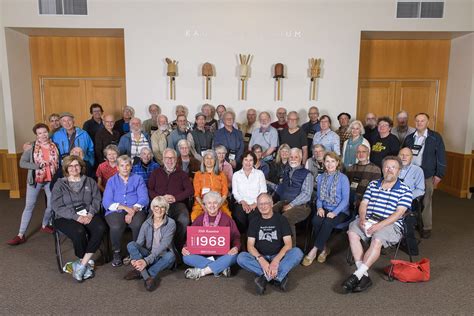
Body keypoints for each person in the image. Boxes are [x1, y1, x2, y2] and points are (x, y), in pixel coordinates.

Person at [342, 156, 412, 293]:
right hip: (368, 219)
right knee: (352, 232)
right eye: (386, 167)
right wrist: (362, 218)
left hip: (390, 225)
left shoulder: (405, 190)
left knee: (377, 239)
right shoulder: (373, 184)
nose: (389, 170)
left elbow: (398, 214)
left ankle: (357, 275)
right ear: (382, 169)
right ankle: (364, 275)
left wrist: (379, 226)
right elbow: (364, 204)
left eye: (393, 167)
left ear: (399, 171)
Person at [51, 155, 106, 282]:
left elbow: (97, 199)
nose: (74, 168)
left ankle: (81, 265)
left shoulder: (90, 182)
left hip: (88, 214)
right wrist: (76, 217)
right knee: (79, 231)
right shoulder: (59, 184)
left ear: (81, 167)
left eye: (76, 165)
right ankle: (85, 263)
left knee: (100, 227)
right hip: (65, 216)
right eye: (70, 166)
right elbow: (56, 206)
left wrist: (91, 214)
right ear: (66, 168)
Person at [237, 193, 304, 295]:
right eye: (260, 204)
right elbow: (250, 245)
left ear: (272, 204)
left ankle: (265, 277)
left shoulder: (281, 220)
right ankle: (278, 277)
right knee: (241, 258)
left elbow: (288, 244)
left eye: (266, 203)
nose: (263, 206)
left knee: (297, 253)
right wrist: (261, 259)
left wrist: (276, 261)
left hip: (278, 256)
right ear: (257, 206)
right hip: (260, 256)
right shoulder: (254, 221)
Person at [7, 123, 59, 246]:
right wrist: (37, 166)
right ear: (36, 135)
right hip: (35, 180)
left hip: (50, 180)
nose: (43, 135)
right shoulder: (31, 148)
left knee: (52, 205)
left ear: (48, 132)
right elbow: (22, 163)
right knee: (29, 206)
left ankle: (45, 225)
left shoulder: (54, 146)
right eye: (40, 133)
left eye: (45, 132)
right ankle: (20, 234)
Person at [302, 152, 350, 266]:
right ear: (324, 163)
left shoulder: (343, 178)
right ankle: (324, 249)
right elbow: (319, 198)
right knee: (316, 220)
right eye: (327, 161)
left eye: (333, 161)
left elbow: (345, 200)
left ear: (337, 163)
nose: (330, 164)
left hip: (341, 210)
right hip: (325, 208)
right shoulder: (321, 178)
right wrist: (319, 208)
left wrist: (334, 212)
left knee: (327, 222)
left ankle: (313, 251)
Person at [403, 113, 446, 239]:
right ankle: (413, 222)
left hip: (427, 174)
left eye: (422, 121)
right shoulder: (410, 138)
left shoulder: (435, 137)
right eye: (417, 120)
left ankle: (426, 227)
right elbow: (404, 154)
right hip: (411, 174)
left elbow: (441, 157)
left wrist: (439, 175)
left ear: (427, 122)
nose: (419, 123)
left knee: (426, 200)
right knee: (410, 199)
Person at [182, 191, 241, 279]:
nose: (212, 206)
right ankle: (221, 267)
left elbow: (236, 237)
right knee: (186, 257)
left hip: (222, 254)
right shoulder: (199, 219)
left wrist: (236, 247)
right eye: (209, 203)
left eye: (215, 203)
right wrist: (185, 247)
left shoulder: (227, 219)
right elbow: (191, 237)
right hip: (201, 254)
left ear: (219, 204)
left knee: (234, 256)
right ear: (205, 205)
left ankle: (201, 272)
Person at [103, 155, 149, 267]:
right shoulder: (111, 181)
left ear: (131, 167)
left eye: (127, 165)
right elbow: (107, 202)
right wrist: (125, 208)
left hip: (136, 208)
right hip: (116, 209)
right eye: (122, 165)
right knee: (116, 226)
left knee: (137, 224)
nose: (125, 168)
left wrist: (133, 210)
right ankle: (116, 252)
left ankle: (135, 253)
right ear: (117, 168)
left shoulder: (138, 179)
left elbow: (144, 198)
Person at [124, 196, 176, 292]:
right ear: (152, 208)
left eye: (162, 207)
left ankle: (142, 273)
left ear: (166, 209)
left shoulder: (171, 223)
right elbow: (139, 243)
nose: (159, 210)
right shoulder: (146, 223)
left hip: (162, 256)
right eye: (156, 206)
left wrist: (146, 261)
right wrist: (133, 258)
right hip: (149, 253)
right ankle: (147, 277)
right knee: (131, 244)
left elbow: (163, 246)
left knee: (171, 256)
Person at [148, 148, 193, 250]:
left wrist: (175, 198)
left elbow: (190, 190)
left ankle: (177, 246)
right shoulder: (156, 172)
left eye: (172, 158)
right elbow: (149, 189)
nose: (170, 160)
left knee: (184, 220)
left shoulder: (182, 174)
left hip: (177, 204)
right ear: (163, 159)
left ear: (176, 159)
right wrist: (160, 198)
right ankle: (152, 248)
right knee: (149, 221)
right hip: (159, 203)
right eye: (167, 158)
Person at [271, 148, 313, 245]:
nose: (293, 159)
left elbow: (306, 194)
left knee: (286, 217)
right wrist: (270, 199)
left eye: (296, 157)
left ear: (301, 158)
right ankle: (274, 243)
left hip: (302, 206)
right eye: (291, 157)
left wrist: (291, 205)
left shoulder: (307, 174)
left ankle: (291, 248)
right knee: (269, 212)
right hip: (284, 202)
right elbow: (280, 189)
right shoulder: (286, 171)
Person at [232, 151, 268, 234]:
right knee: (239, 216)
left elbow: (263, 191)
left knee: (254, 218)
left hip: (256, 203)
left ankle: (252, 241)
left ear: (254, 161)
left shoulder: (259, 174)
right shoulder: (236, 175)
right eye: (246, 160)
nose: (248, 163)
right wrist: (243, 202)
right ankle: (241, 240)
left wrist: (255, 203)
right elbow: (235, 192)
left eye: (251, 160)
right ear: (242, 161)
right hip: (241, 203)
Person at [191, 150, 230, 221]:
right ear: (203, 160)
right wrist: (203, 206)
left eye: (211, 158)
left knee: (226, 219)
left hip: (219, 204)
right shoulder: (198, 174)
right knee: (195, 218)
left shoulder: (221, 174)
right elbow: (196, 194)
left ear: (215, 160)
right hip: (202, 204)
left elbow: (225, 193)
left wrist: (218, 206)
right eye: (207, 158)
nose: (209, 160)